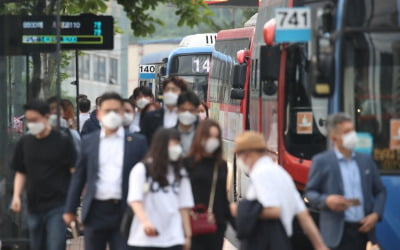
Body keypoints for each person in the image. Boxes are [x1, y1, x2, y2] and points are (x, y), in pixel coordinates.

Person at [63, 92, 148, 250]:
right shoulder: (89, 141)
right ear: (99, 114)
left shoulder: (138, 142)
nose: (112, 115)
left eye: (116, 111)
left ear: (122, 113)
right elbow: (78, 177)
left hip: (125, 211)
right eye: (107, 111)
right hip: (95, 211)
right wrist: (70, 209)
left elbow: (147, 177)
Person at [230, 131, 328, 250]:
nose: (240, 160)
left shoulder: (261, 173)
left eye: (239, 154)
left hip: (263, 243)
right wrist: (319, 245)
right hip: (282, 242)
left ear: (248, 154)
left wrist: (239, 209)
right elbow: (303, 215)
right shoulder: (282, 174)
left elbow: (274, 210)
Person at [305, 113, 386, 250]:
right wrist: (327, 200)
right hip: (337, 234)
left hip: (362, 231)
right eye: (347, 132)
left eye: (353, 130)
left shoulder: (365, 160)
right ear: (334, 138)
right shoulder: (322, 161)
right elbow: (310, 193)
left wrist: (375, 215)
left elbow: (380, 191)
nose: (352, 135)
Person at [10, 99, 77, 250]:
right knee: (37, 245)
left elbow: (74, 172)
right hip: (33, 205)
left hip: (58, 204)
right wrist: (16, 196)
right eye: (29, 120)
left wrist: (72, 202)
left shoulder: (63, 141)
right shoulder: (25, 142)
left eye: (35, 120)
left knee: (55, 245)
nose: (31, 123)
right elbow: (21, 172)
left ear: (46, 117)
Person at [127, 128, 193, 250]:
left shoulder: (180, 172)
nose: (177, 148)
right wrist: (145, 222)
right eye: (173, 144)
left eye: (178, 144)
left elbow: (184, 206)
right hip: (145, 239)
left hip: (174, 238)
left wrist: (188, 235)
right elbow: (135, 200)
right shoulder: (142, 169)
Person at [184, 120, 233, 250]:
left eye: (216, 137)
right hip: (191, 224)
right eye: (209, 136)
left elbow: (223, 198)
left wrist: (237, 225)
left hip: (215, 226)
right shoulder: (187, 163)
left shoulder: (221, 165)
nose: (213, 141)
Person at [140, 76, 188, 143]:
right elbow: (144, 141)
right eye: (167, 89)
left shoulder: (188, 116)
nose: (169, 93)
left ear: (182, 93)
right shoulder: (150, 116)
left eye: (174, 90)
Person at [176, 91, 200, 155]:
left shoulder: (203, 135)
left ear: (197, 111)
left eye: (191, 110)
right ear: (177, 110)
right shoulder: (168, 134)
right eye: (183, 110)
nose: (187, 113)